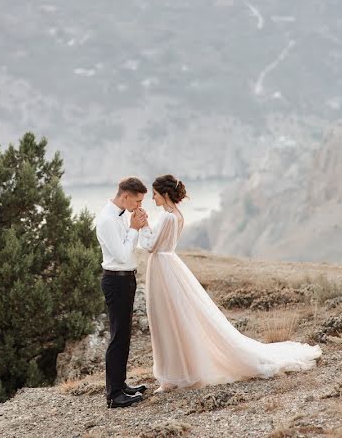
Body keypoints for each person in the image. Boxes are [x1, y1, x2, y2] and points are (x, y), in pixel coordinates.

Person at [139, 174, 322, 393]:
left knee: (169, 320)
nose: (153, 198)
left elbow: (150, 245)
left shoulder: (166, 217)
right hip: (169, 266)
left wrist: (142, 226)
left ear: (166, 194)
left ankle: (175, 376)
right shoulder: (177, 215)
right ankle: (177, 374)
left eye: (156, 194)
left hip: (163, 268)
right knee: (176, 319)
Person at [95, 177, 151, 408]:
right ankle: (114, 395)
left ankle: (120, 384)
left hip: (125, 279)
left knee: (124, 335)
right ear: (125, 196)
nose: (139, 206)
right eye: (137, 201)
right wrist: (134, 228)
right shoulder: (108, 219)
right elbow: (121, 255)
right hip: (115, 281)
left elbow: (129, 249)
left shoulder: (120, 215)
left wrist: (135, 227)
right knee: (118, 337)